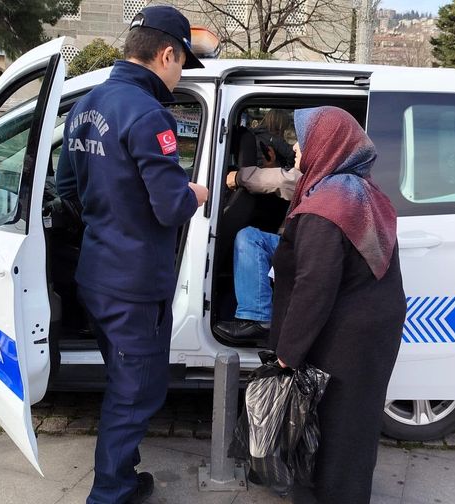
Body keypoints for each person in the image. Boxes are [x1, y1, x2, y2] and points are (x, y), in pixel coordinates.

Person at [54, 6, 208, 504]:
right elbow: (171, 207)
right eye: (182, 63)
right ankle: (110, 492)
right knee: (136, 391)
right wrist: (196, 194)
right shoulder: (148, 114)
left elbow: (66, 187)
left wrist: (109, 213)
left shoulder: (86, 104)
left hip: (96, 274)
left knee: (125, 380)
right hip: (135, 284)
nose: (179, 75)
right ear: (166, 54)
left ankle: (123, 471)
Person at [269, 106, 406, 503]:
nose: (296, 148)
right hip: (371, 334)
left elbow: (314, 287)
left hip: (341, 340)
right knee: (355, 425)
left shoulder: (326, 206)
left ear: (325, 144)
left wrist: (287, 354)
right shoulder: (361, 191)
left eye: (302, 139)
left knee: (327, 430)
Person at [215, 130, 300, 344]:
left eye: (302, 143)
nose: (295, 147)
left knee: (250, 238)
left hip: (307, 248)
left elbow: (287, 181)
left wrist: (240, 176)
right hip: (303, 244)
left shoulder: (322, 175)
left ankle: (258, 317)